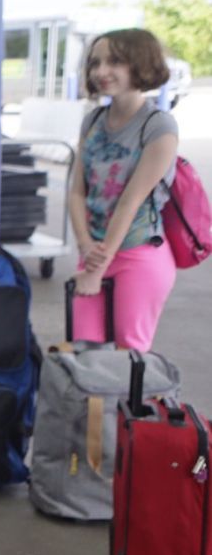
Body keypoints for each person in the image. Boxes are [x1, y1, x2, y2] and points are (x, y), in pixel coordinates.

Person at [68, 28, 180, 350]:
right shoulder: (92, 121)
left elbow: (131, 201)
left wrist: (96, 266)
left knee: (129, 358)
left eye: (114, 61)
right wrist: (86, 246)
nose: (101, 72)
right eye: (95, 63)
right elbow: (77, 191)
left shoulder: (158, 126)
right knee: (83, 353)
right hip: (94, 253)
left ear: (140, 63)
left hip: (138, 253)